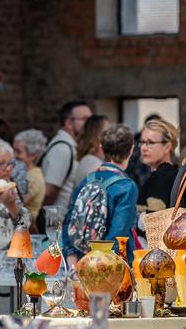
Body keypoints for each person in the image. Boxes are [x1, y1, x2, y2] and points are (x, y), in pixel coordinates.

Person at [62, 124, 138, 265]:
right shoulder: (127, 186)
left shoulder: (88, 180)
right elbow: (118, 233)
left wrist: (71, 256)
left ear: (101, 147)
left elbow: (69, 221)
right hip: (112, 266)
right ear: (131, 149)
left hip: (82, 260)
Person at [40, 100, 93, 219]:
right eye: (85, 119)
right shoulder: (62, 148)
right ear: (69, 123)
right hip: (58, 221)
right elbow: (49, 192)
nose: (90, 124)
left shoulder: (71, 146)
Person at [137, 118, 179, 214]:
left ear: (167, 147)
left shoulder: (161, 176)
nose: (143, 148)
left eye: (150, 143)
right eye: (142, 142)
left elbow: (153, 220)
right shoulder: (172, 172)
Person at [0, 118, 28, 197]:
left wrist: (12, 203)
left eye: (10, 164)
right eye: (2, 164)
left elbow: (21, 204)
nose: (8, 168)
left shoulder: (12, 187)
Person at [13, 129, 47, 224]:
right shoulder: (24, 172)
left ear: (32, 155)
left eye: (18, 152)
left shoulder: (34, 177)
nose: (14, 155)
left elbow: (18, 204)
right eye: (14, 150)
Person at [69, 114, 110, 190]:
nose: (112, 135)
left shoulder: (90, 160)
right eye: (108, 131)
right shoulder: (93, 163)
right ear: (98, 136)